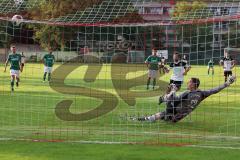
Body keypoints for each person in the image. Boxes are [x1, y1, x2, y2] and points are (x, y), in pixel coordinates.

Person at [137, 76, 236, 123]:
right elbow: (215, 90)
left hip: (174, 113)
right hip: (180, 117)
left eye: (189, 82)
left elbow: (175, 99)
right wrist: (227, 83)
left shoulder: (187, 93)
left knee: (170, 99)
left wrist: (172, 90)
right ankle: (151, 117)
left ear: (193, 84)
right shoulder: (202, 93)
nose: (187, 83)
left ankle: (151, 115)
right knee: (165, 115)